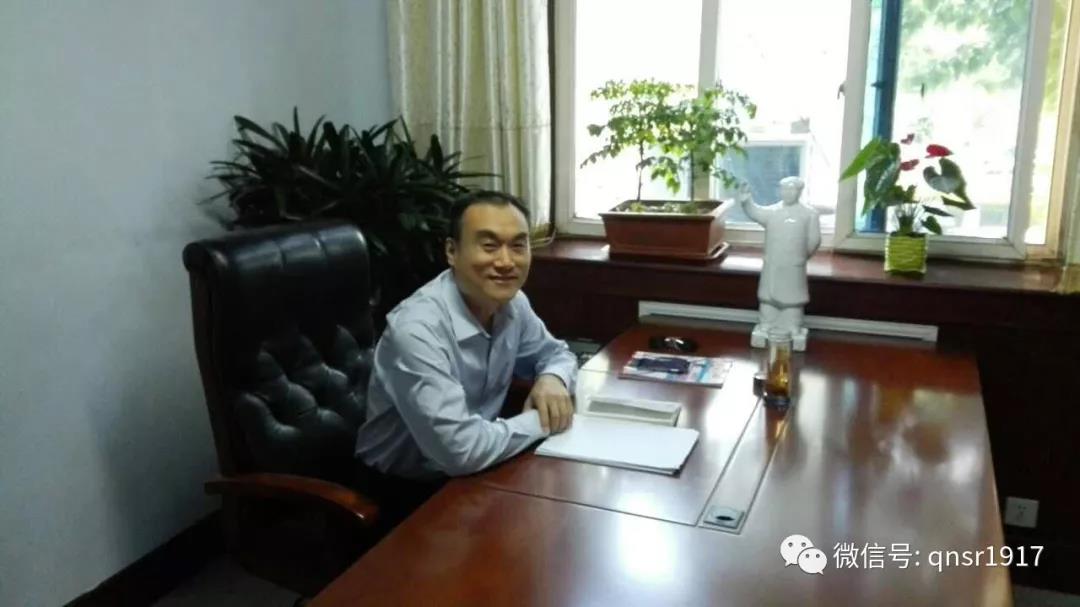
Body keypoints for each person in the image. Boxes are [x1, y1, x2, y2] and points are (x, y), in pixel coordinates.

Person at [354, 190, 577, 516]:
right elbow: (460, 451)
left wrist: (553, 379)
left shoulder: (513, 304)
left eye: (518, 246)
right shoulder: (416, 329)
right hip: (400, 493)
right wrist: (544, 421)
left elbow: (557, 354)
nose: (506, 262)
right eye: (489, 246)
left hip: (476, 472)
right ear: (452, 251)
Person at [739, 177, 821, 351]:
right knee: (768, 298)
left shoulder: (809, 214)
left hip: (794, 266)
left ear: (799, 191)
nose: (787, 193)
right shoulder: (773, 212)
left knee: (793, 298)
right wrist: (747, 201)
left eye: (791, 189)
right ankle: (766, 324)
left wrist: (800, 257)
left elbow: (814, 240)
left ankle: (793, 326)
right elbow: (756, 212)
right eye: (784, 189)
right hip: (773, 264)